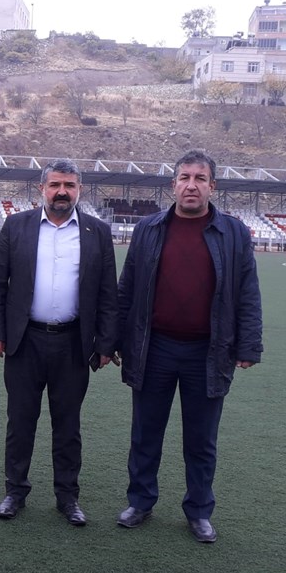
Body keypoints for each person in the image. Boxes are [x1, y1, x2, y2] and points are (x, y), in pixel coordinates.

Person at [115, 149, 263, 543]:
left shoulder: (233, 233)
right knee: (145, 433)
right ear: (173, 185)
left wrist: (249, 345)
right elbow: (127, 288)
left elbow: (248, 291)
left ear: (212, 186)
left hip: (208, 352)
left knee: (201, 440)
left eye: (200, 178)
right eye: (184, 177)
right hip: (154, 348)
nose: (191, 185)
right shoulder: (149, 228)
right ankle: (140, 502)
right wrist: (113, 339)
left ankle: (198, 511)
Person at [0, 159, 118, 525]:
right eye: (55, 185)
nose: (62, 192)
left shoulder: (97, 232)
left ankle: (67, 497)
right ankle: (15, 491)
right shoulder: (16, 226)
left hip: (73, 343)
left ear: (79, 190)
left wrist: (106, 343)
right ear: (42, 188)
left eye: (69, 185)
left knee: (68, 425)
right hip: (25, 341)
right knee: (20, 421)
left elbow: (108, 293)